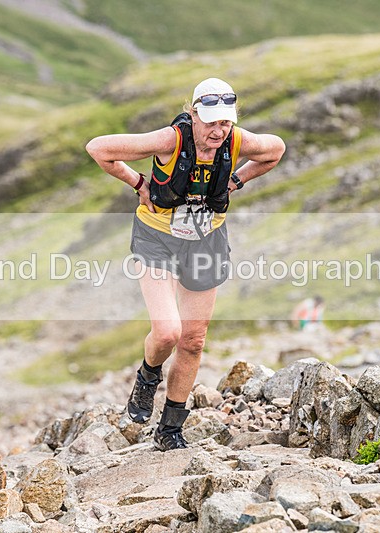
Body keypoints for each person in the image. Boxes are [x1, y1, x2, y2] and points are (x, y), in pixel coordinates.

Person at [86, 78, 285, 451]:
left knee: (193, 341)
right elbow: (98, 148)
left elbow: (275, 150)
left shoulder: (236, 140)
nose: (217, 130)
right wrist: (138, 182)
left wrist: (237, 181)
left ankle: (170, 429)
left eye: (225, 122)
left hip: (206, 240)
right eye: (210, 121)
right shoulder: (170, 140)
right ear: (193, 115)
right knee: (167, 333)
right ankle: (147, 378)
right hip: (158, 237)